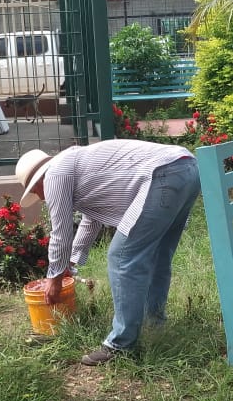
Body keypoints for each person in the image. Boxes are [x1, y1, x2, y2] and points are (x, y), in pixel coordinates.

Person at [15, 141, 201, 366]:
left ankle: (120, 345)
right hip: (188, 168)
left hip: (163, 174)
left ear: (38, 181)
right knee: (158, 257)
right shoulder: (74, 164)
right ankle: (154, 325)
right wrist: (71, 262)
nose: (41, 198)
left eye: (35, 192)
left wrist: (54, 277)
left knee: (122, 256)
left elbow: (61, 231)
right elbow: (91, 220)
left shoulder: (55, 174)